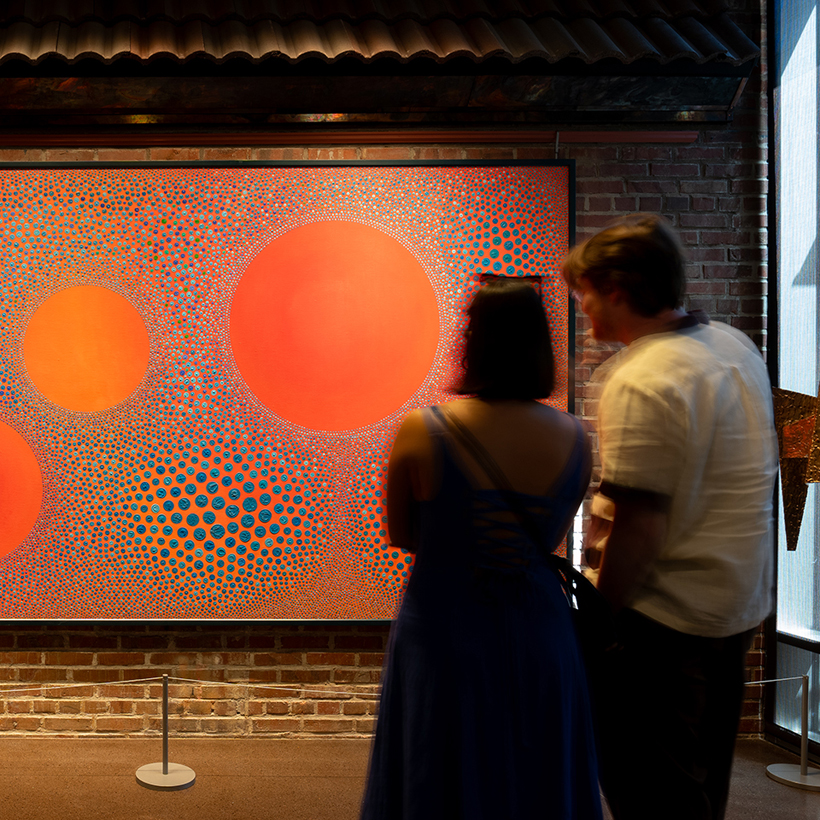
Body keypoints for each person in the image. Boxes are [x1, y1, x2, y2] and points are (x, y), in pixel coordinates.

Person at [360, 278, 602, 820]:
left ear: (477, 342)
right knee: (536, 778)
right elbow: (554, 535)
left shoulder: (424, 429)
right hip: (541, 629)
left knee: (437, 772)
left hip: (444, 623)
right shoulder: (574, 436)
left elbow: (401, 532)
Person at [563, 214, 777, 820]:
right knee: (702, 783)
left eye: (586, 294)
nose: (583, 309)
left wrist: (599, 626)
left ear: (620, 290)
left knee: (651, 789)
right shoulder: (735, 345)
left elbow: (640, 524)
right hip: (733, 608)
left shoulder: (641, 378)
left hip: (662, 623)